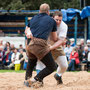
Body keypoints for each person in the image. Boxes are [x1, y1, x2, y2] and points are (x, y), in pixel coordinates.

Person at [24, 3, 57, 88]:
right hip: (40, 45)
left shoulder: (33, 18)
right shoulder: (52, 20)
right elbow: (54, 38)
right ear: (48, 12)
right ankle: (35, 79)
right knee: (52, 66)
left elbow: (26, 30)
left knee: (31, 62)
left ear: (39, 11)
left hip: (30, 44)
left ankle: (26, 80)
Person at [36, 11, 68, 85]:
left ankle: (58, 75)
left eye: (60, 20)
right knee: (40, 63)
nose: (58, 22)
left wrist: (51, 48)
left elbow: (60, 41)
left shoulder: (64, 26)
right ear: (52, 18)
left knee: (64, 65)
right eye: (56, 19)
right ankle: (39, 80)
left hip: (56, 46)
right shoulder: (45, 23)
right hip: (44, 45)